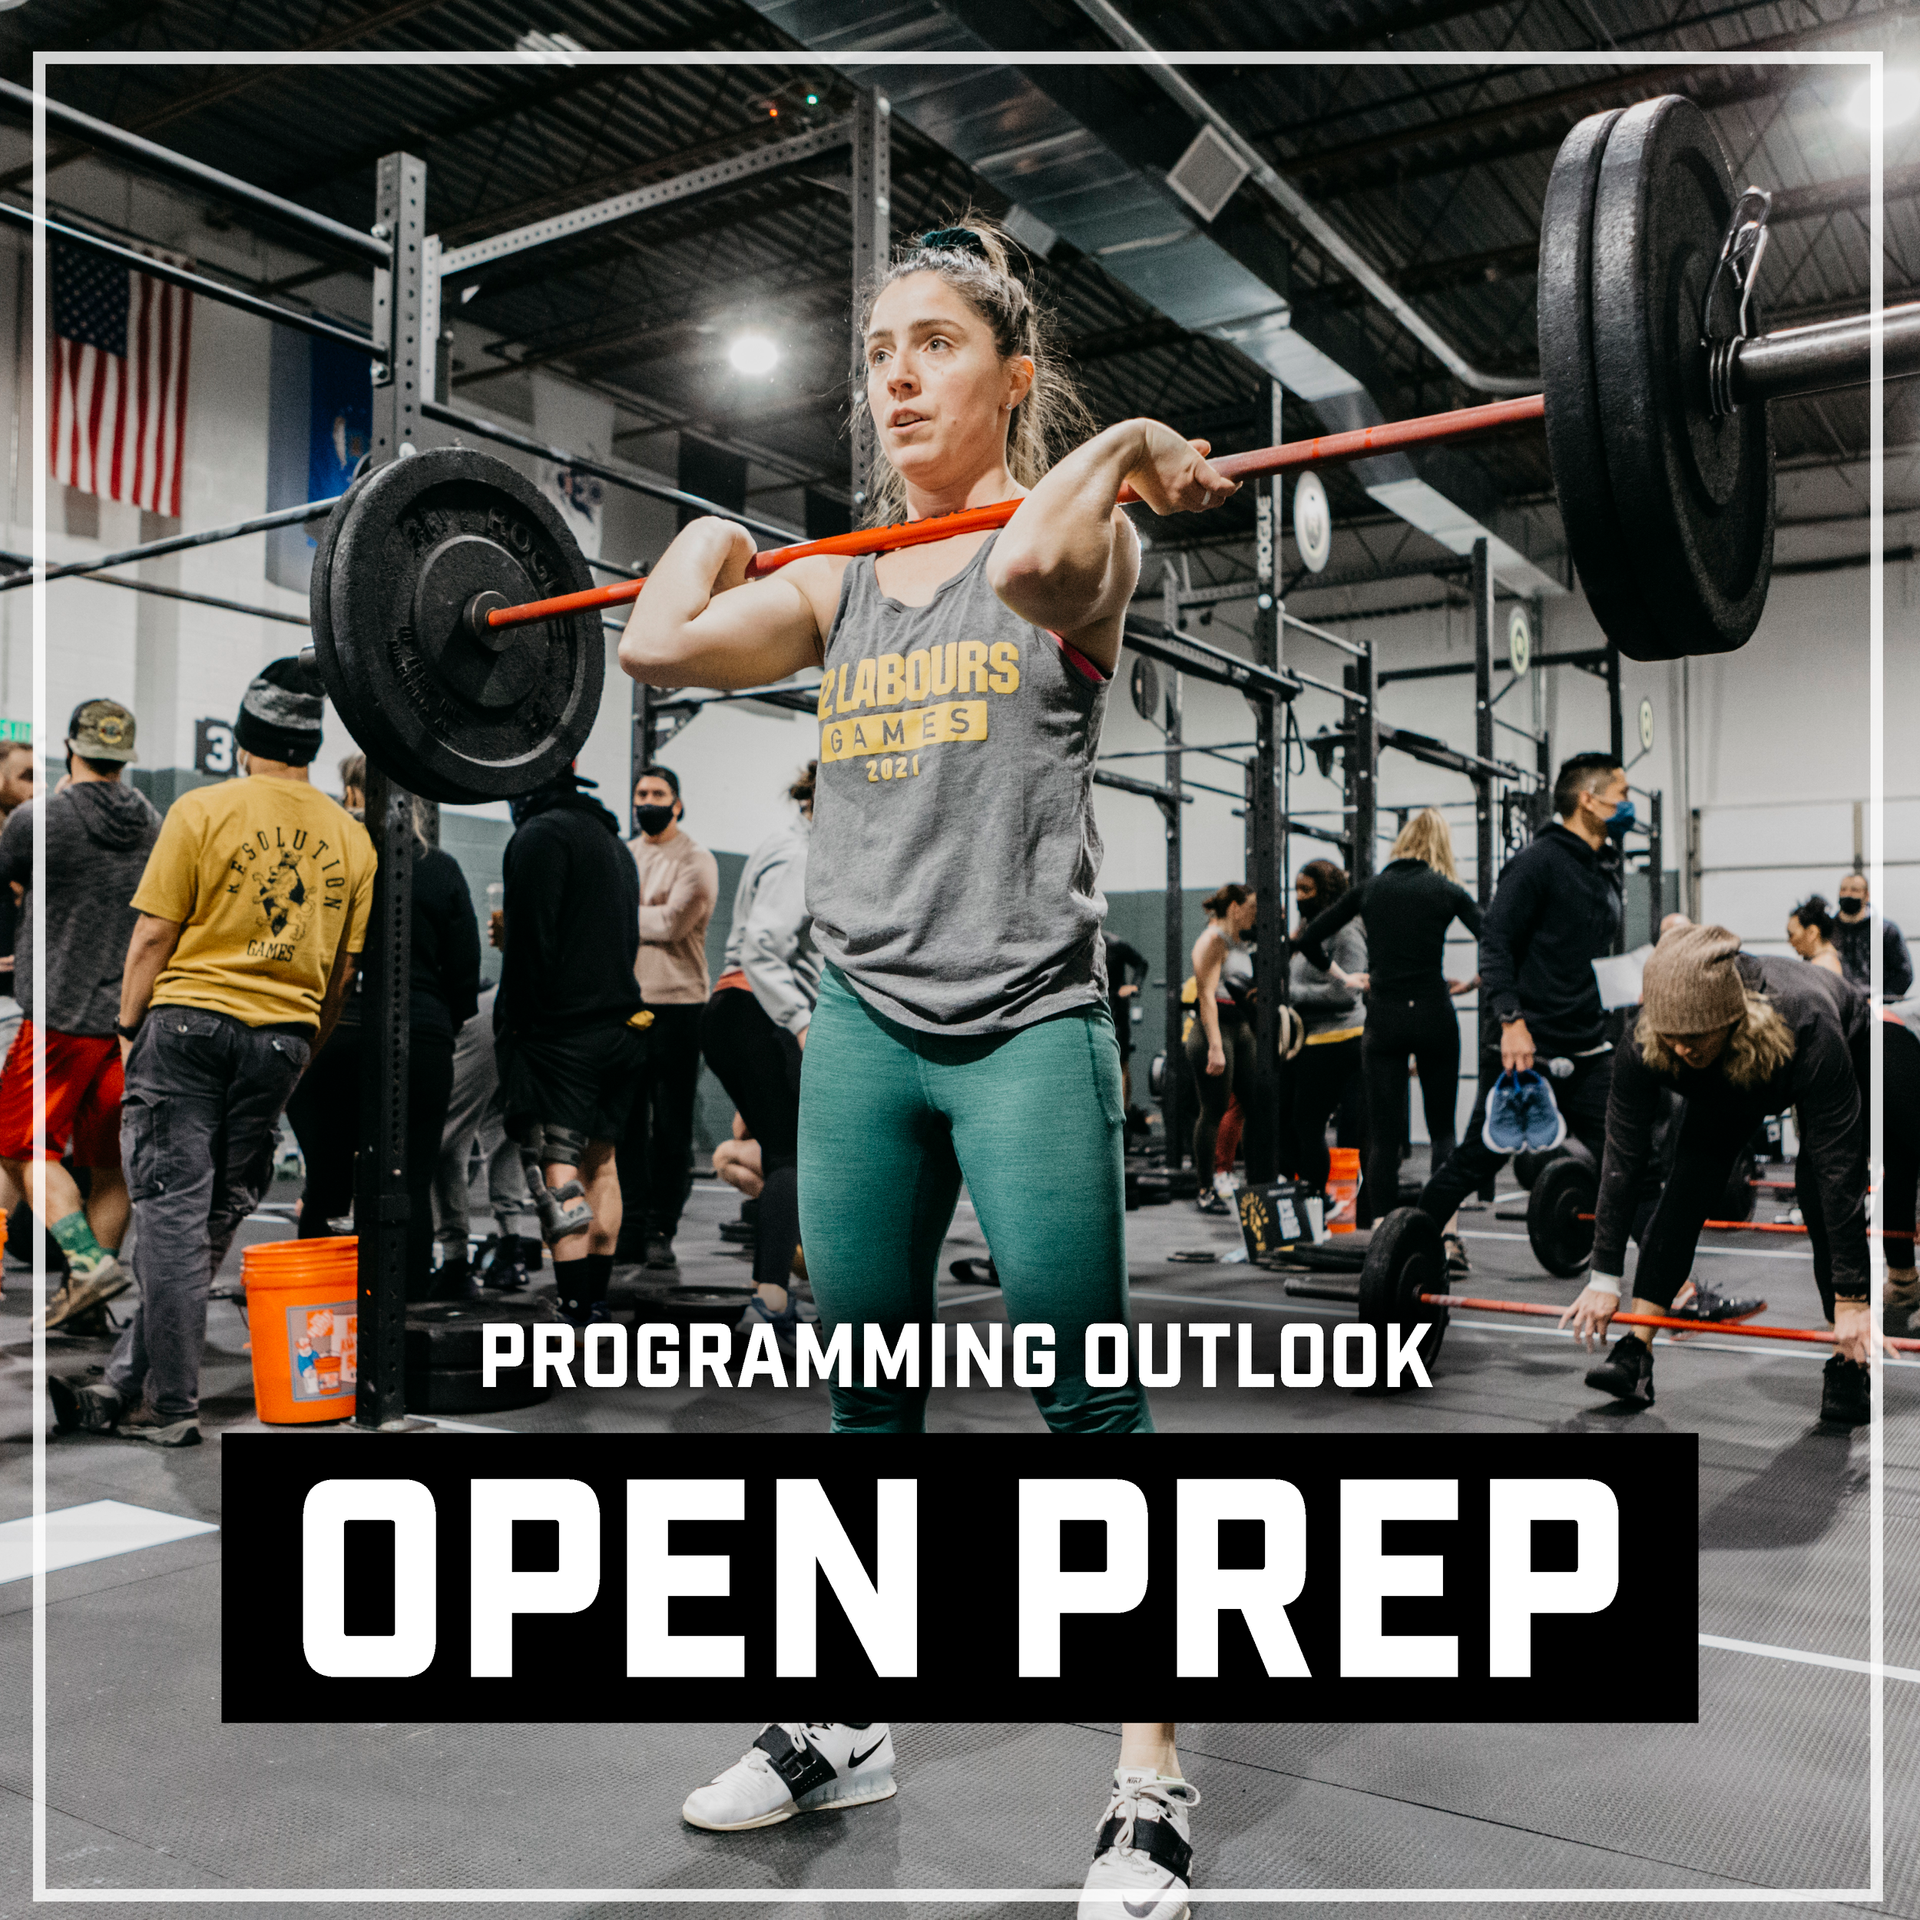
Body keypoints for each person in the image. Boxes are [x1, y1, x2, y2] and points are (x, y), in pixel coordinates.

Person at [622, 218, 1232, 1906]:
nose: (895, 375)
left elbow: (1037, 574)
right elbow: (653, 648)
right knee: (859, 1408)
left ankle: (1151, 1775)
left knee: (1089, 1409)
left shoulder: (1087, 544)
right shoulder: (831, 587)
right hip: (870, 1035)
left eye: (936, 345)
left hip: (1029, 1023)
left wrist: (1113, 450)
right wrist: (710, 532)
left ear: (1013, 377)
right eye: (879, 350)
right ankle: (840, 1717)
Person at [47, 660, 375, 1446]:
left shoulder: (201, 809)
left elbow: (153, 936)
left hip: (189, 1026)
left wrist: (128, 1027)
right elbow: (338, 978)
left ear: (244, 739)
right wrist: (301, 1048)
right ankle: (128, 1379)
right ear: (309, 743)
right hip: (284, 1038)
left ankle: (173, 1408)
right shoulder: (353, 841)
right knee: (210, 1218)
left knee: (170, 1215)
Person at [1561, 925, 1875, 1423]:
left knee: (1818, 1193)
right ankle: (1635, 1351)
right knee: (1685, 1184)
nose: (1683, 1049)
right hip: (1731, 1064)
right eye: (1673, 1038)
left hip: (1835, 1041)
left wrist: (1854, 1296)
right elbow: (1623, 1159)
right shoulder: (1646, 1043)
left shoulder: (1807, 1024)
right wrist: (1603, 1274)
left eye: (1694, 1037)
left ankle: (1849, 1363)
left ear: (1728, 1017)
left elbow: (1841, 1174)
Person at [1410, 757, 1628, 1274]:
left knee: (1627, 1164)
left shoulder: (1602, 867)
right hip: (1527, 1048)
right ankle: (1408, 1243)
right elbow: (1496, 942)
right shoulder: (1537, 863)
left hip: (1588, 1045)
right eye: (1621, 793)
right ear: (1588, 800)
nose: (1627, 804)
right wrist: (1511, 1021)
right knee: (1476, 1160)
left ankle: (1677, 1289)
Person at [286, 757, 480, 1300]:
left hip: (331, 1037)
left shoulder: (320, 864)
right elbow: (464, 975)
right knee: (407, 1185)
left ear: (351, 791)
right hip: (419, 1038)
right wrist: (437, 1022)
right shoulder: (440, 869)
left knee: (325, 1184)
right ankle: (406, 1323)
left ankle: (313, 1326)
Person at [0, 701, 159, 1329]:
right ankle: (83, 1304)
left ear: (72, 746)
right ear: (126, 758)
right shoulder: (156, 823)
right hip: (126, 1024)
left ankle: (88, 1263)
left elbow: (10, 870)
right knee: (109, 1165)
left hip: (58, 1017)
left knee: (19, 1146)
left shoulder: (42, 820)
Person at [494, 767, 648, 1329]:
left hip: (563, 1035)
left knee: (556, 1164)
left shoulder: (540, 836)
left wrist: (516, 1027)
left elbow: (532, 944)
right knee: (602, 1163)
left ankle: (574, 1308)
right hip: (622, 1029)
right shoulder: (613, 843)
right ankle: (596, 1303)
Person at [1297, 809, 1480, 1244]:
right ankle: (1446, 1234)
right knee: (1443, 1131)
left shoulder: (1370, 890)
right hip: (1434, 1012)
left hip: (1386, 1017)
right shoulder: (1447, 889)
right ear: (1440, 845)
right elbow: (1497, 940)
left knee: (1383, 1137)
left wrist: (1343, 977)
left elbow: (1307, 939)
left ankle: (1383, 1237)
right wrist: (1475, 982)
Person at [698, 763, 818, 1351]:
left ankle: (778, 1290)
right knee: (794, 1156)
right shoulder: (800, 853)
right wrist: (800, 1026)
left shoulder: (782, 845)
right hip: (758, 1009)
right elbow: (766, 947)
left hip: (733, 1010)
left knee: (776, 1155)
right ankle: (771, 1303)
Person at [622, 762, 719, 1273]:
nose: (648, 800)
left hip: (680, 1006)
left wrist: (625, 912)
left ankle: (663, 1225)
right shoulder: (625, 854)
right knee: (628, 1123)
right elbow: (651, 918)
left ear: (677, 802)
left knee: (672, 1127)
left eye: (658, 793)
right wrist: (645, 914)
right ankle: (631, 1225)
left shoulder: (697, 859)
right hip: (630, 1004)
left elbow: (675, 923)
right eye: (641, 792)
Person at [1282, 860, 1367, 1203]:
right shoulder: (1305, 931)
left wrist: (1291, 996)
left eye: (1307, 890)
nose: (1300, 897)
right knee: (1302, 1125)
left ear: (1327, 893)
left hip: (1343, 1041)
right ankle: (1315, 1200)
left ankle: (1341, 1202)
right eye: (1297, 889)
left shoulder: (1346, 931)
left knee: (1339, 1128)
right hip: (1310, 1043)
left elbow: (1348, 992)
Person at [1186, 883, 1257, 1213]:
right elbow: (1206, 997)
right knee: (1213, 1111)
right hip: (1215, 1031)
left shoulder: (1239, 942)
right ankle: (1205, 1189)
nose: (1254, 914)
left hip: (1241, 1028)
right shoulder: (1213, 941)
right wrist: (1215, 1046)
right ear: (1234, 907)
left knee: (1257, 1103)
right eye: (1251, 907)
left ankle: (1260, 1183)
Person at [1834, 871, 1913, 998]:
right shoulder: (1828, 930)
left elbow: (1903, 973)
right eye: (1843, 890)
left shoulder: (1885, 931)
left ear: (1866, 895)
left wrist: (1883, 999)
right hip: (1837, 1005)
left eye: (1854, 890)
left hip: (1876, 1006)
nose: (1847, 894)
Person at [1103, 931, 1149, 1120]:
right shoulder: (1084, 943)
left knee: (1121, 1064)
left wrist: (1134, 986)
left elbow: (1141, 963)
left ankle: (1123, 1117)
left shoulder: (1115, 944)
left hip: (1117, 1010)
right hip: (1096, 1006)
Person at [1786, 895, 1845, 978]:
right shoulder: (1830, 961)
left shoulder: (1823, 966)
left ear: (1812, 932)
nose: (1789, 941)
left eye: (1791, 935)